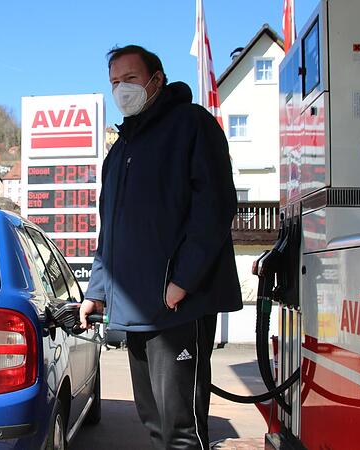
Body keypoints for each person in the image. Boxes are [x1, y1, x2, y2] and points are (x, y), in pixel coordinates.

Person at [80, 45, 242, 450]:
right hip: (135, 309)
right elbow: (110, 233)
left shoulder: (191, 125)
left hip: (178, 306)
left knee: (181, 429)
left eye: (130, 79)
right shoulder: (120, 151)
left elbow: (215, 207)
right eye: (114, 82)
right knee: (153, 422)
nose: (121, 89)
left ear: (156, 79)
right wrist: (96, 292)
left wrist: (183, 281)